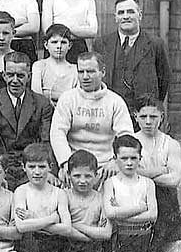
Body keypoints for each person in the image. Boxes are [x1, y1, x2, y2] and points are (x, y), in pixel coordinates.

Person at [50, 52, 134, 183]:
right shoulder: (67, 99)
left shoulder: (115, 101)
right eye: (81, 72)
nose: (85, 77)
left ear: (103, 72)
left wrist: (116, 161)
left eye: (90, 72)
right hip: (74, 165)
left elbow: (126, 136)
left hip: (106, 166)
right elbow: (57, 133)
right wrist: (65, 162)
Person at [0, 51, 54, 189]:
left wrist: (47, 170)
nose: (14, 80)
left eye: (20, 76)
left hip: (32, 169)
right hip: (2, 168)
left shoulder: (42, 104)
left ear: (29, 77)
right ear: (3, 75)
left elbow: (45, 142)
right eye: (10, 75)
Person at [93, 0, 171, 117]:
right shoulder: (101, 44)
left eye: (130, 12)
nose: (125, 16)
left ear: (139, 15)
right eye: (121, 13)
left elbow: (164, 78)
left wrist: (151, 105)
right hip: (110, 113)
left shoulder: (155, 44)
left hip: (144, 116)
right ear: (115, 17)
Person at [103, 135, 165, 252]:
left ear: (140, 158)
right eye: (124, 158)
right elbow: (110, 213)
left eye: (133, 158)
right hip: (122, 241)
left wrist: (121, 213)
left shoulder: (148, 183)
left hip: (145, 239)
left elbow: (153, 215)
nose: (129, 163)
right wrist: (140, 208)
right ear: (115, 158)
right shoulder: (111, 183)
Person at [133, 96, 181, 252]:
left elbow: (174, 179)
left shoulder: (170, 144)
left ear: (161, 117)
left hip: (165, 201)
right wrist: (159, 170)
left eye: (153, 117)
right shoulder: (129, 141)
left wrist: (141, 174)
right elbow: (125, 174)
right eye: (143, 116)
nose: (148, 121)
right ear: (135, 116)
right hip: (138, 199)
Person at [13, 143, 71, 252]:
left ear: (50, 166)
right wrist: (51, 219)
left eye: (42, 166)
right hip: (28, 245)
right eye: (32, 167)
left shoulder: (59, 193)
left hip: (51, 245)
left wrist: (33, 220)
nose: (37, 172)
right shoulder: (21, 191)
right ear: (23, 167)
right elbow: (21, 226)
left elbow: (67, 228)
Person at [60, 150, 111, 252]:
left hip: (94, 249)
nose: (82, 181)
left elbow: (106, 233)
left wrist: (76, 225)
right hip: (69, 247)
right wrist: (92, 233)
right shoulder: (64, 196)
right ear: (68, 175)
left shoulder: (101, 198)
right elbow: (64, 229)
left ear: (96, 175)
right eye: (77, 176)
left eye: (88, 176)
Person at [41, 0, 98, 64]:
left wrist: (63, 27)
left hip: (78, 48)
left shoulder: (88, 1)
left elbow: (93, 31)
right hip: (55, 48)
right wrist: (80, 30)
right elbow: (48, 30)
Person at [31, 23, 78, 106]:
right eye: (54, 42)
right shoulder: (39, 66)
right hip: (44, 114)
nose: (59, 46)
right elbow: (37, 96)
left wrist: (50, 95)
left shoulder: (75, 70)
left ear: (69, 45)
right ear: (46, 45)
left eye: (63, 42)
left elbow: (75, 99)